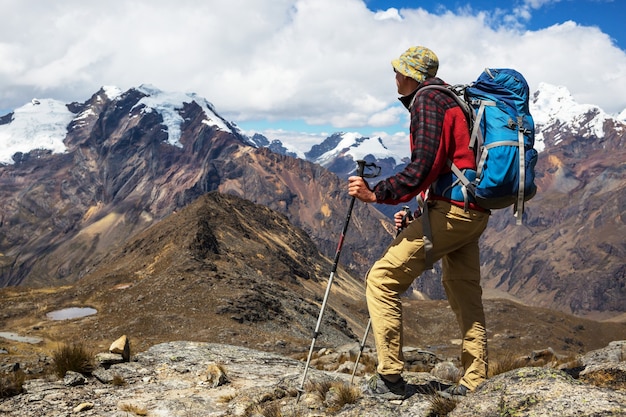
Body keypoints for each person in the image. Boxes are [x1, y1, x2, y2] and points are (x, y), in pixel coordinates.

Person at [348, 46, 491, 400]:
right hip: (472, 212)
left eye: (398, 71)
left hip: (453, 212)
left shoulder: (428, 102)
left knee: (381, 279)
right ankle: (475, 380)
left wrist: (376, 194)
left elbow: (423, 167)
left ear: (412, 75)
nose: (395, 77)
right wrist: (417, 215)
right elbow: (451, 166)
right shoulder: (452, 100)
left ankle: (391, 379)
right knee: (465, 293)